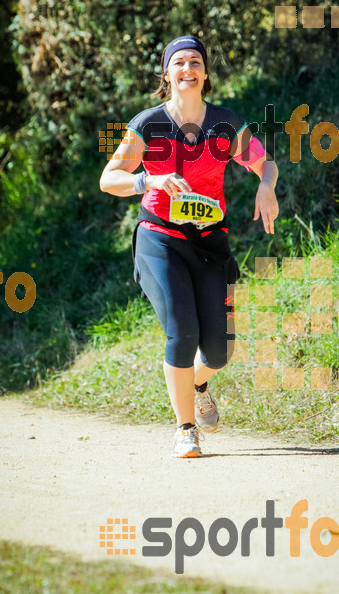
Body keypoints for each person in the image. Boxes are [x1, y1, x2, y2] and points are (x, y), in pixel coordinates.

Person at [99, 35, 279, 458]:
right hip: (159, 238)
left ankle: (199, 383)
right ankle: (185, 428)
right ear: (167, 73)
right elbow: (109, 179)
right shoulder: (147, 124)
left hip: (210, 242)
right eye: (178, 62)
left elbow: (264, 161)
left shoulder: (225, 124)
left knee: (217, 351)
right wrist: (149, 179)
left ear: (205, 73)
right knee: (181, 332)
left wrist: (266, 187)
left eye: (195, 61)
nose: (187, 68)